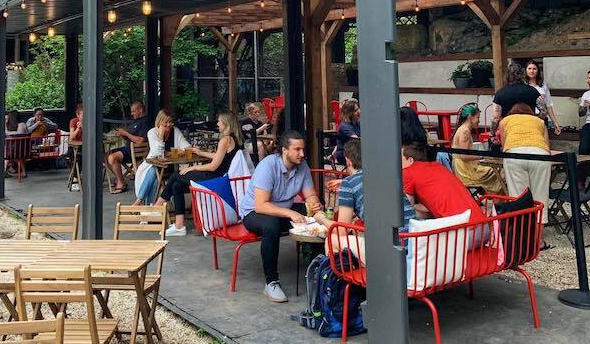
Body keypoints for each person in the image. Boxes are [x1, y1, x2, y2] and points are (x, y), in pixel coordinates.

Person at [240, 130, 321, 303]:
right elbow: (261, 205)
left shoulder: (302, 165)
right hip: (254, 213)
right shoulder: (268, 165)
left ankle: (318, 272)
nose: (302, 154)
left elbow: (310, 195)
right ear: (285, 150)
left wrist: (314, 204)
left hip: (283, 210)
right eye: (297, 149)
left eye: (303, 149)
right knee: (271, 226)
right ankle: (271, 282)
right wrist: (291, 213)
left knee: (317, 218)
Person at [154, 112, 244, 236]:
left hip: (215, 178)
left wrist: (193, 168)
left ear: (226, 124)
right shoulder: (233, 138)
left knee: (176, 174)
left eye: (219, 121)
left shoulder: (225, 139)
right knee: (177, 186)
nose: (217, 124)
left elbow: (213, 167)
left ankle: (157, 207)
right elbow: (219, 156)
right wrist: (201, 153)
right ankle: (179, 226)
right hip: (220, 176)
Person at [313, 139, 416, 235]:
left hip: (389, 249)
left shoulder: (349, 184)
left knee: (333, 240)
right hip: (415, 242)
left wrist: (322, 219)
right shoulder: (386, 176)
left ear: (348, 161)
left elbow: (342, 231)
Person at [499, 103, 551, 226]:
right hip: (539, 154)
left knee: (518, 196)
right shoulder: (539, 121)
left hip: (514, 154)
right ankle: (539, 240)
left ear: (512, 113)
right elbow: (547, 145)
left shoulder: (505, 121)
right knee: (540, 196)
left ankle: (522, 235)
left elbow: (504, 144)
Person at [134, 109, 191, 206]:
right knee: (155, 174)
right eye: (166, 122)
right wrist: (160, 135)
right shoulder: (151, 132)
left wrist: (169, 153)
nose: (169, 124)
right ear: (159, 121)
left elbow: (187, 148)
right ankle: (146, 206)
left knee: (156, 176)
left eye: (170, 121)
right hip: (151, 166)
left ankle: (140, 203)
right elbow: (158, 154)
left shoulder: (175, 131)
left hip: (170, 168)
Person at [451, 104, 505, 194]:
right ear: (470, 117)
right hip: (466, 171)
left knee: (498, 171)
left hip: (465, 167)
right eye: (477, 117)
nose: (479, 121)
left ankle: (497, 202)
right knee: (501, 172)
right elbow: (464, 156)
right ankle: (499, 203)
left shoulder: (462, 129)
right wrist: (482, 156)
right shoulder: (465, 131)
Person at [107, 101, 150, 193]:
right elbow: (131, 137)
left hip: (136, 151)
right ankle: (120, 179)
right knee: (105, 156)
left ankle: (121, 183)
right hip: (129, 149)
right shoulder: (136, 121)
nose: (131, 114)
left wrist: (126, 133)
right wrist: (122, 134)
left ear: (140, 110)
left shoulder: (145, 122)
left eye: (133, 111)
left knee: (112, 157)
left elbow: (140, 140)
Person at [525, 60, 561, 135]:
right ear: (526, 70)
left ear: (538, 71)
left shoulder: (543, 85)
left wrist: (555, 123)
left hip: (541, 117)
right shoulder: (523, 85)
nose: (532, 71)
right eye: (529, 68)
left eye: (534, 69)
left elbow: (548, 105)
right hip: (527, 118)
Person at [335, 99, 360, 164]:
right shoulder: (345, 126)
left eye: (358, 109)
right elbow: (356, 140)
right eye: (355, 111)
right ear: (349, 113)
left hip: (355, 153)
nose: (359, 111)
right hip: (345, 156)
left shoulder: (358, 124)